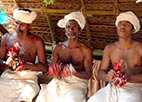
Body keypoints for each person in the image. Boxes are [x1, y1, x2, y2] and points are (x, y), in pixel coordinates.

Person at [36, 11, 93, 102]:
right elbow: (52, 68)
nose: (70, 30)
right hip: (59, 82)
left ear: (80, 30)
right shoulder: (58, 48)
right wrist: (56, 72)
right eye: (68, 27)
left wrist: (74, 72)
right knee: (42, 99)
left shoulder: (85, 50)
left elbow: (88, 75)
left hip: (77, 84)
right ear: (65, 29)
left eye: (74, 27)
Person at [87, 11, 142, 102]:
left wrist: (129, 78)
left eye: (126, 24)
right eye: (120, 23)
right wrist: (107, 76)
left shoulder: (140, 48)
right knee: (93, 100)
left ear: (133, 29)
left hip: (134, 88)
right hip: (113, 87)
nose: (122, 26)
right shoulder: (110, 48)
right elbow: (100, 73)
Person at [0, 8, 47, 102]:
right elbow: (0, 60)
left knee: (30, 91)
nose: (18, 27)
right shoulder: (6, 38)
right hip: (8, 77)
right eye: (16, 23)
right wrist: (7, 63)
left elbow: (44, 67)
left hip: (28, 78)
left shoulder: (37, 41)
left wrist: (24, 65)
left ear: (29, 25)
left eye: (22, 25)